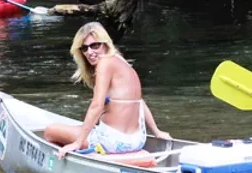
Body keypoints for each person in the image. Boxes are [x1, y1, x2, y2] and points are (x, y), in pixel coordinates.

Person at [43, 22, 170, 157]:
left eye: (95, 45)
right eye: (84, 48)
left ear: (106, 44)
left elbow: (96, 106)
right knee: (83, 129)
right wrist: (156, 131)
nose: (90, 52)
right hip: (137, 140)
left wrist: (77, 143)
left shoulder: (105, 63)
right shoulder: (122, 62)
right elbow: (139, 102)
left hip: (112, 142)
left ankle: (71, 160)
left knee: (50, 131)